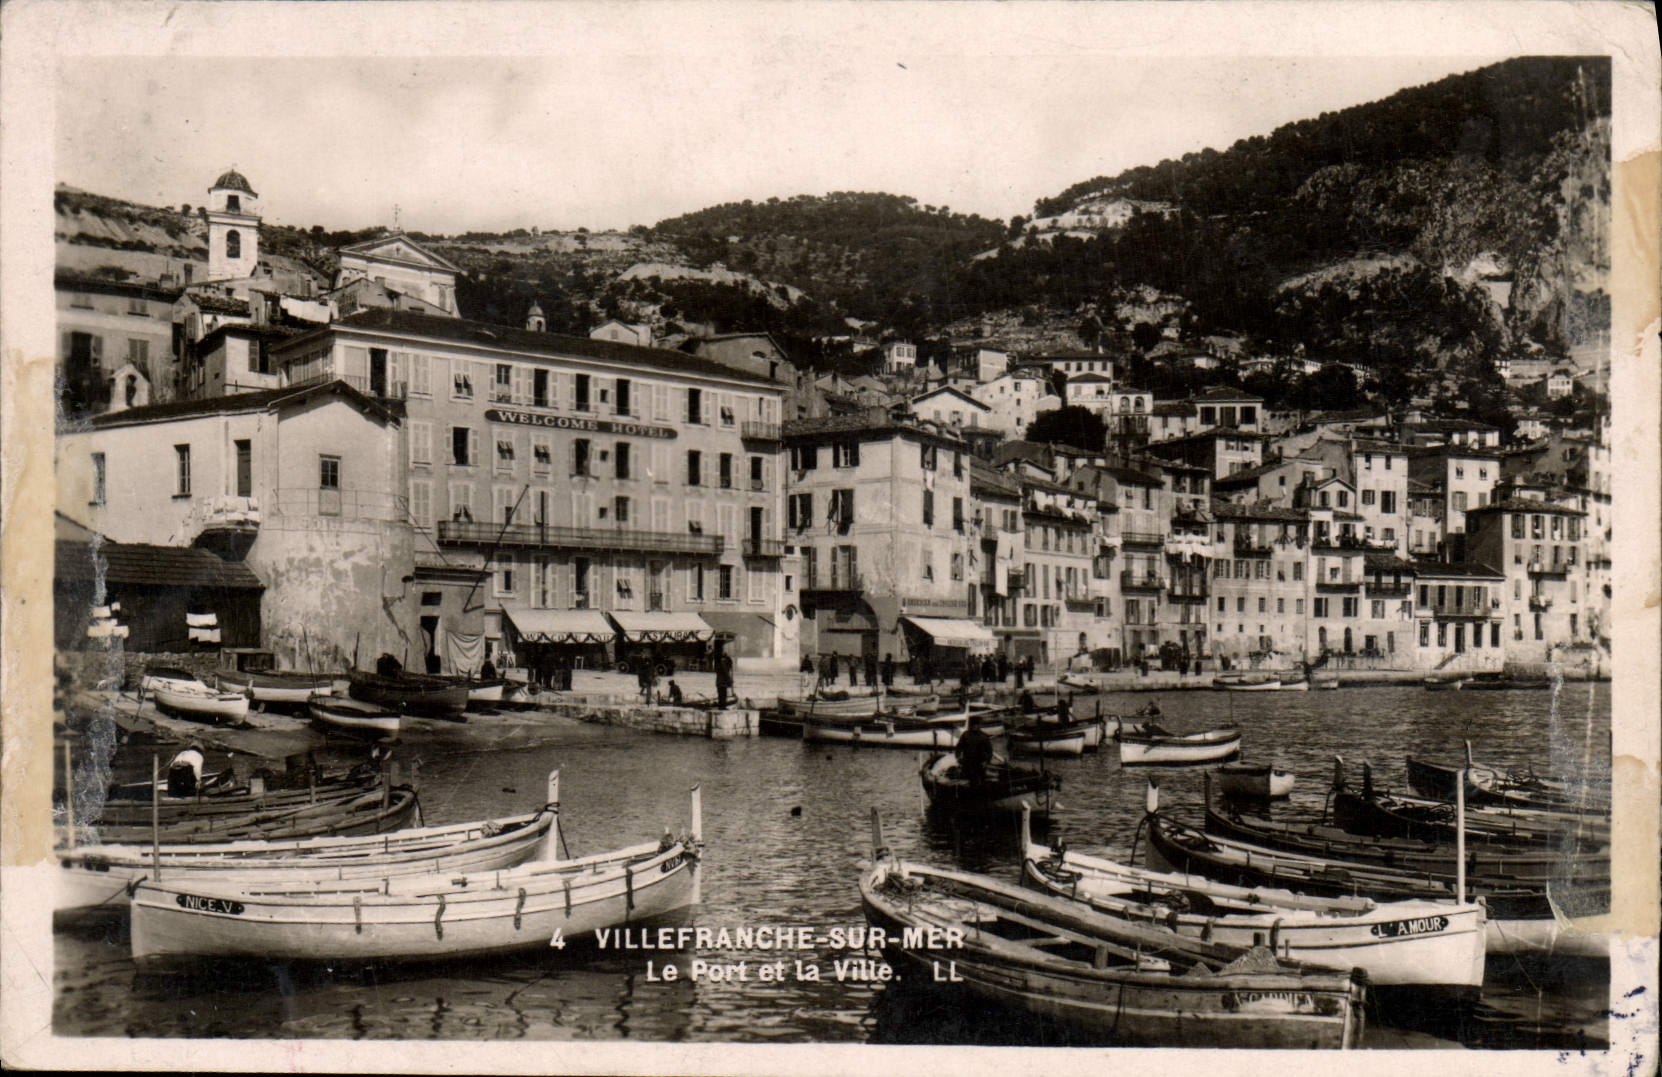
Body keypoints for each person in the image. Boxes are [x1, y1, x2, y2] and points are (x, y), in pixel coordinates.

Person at [954, 713, 994, 786]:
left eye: (976, 725)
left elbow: (989, 751)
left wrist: (987, 762)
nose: (975, 727)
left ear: (979, 725)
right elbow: (959, 747)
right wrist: (958, 756)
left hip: (980, 762)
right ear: (970, 725)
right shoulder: (965, 735)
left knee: (981, 781)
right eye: (973, 725)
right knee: (971, 780)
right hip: (968, 762)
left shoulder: (984, 736)